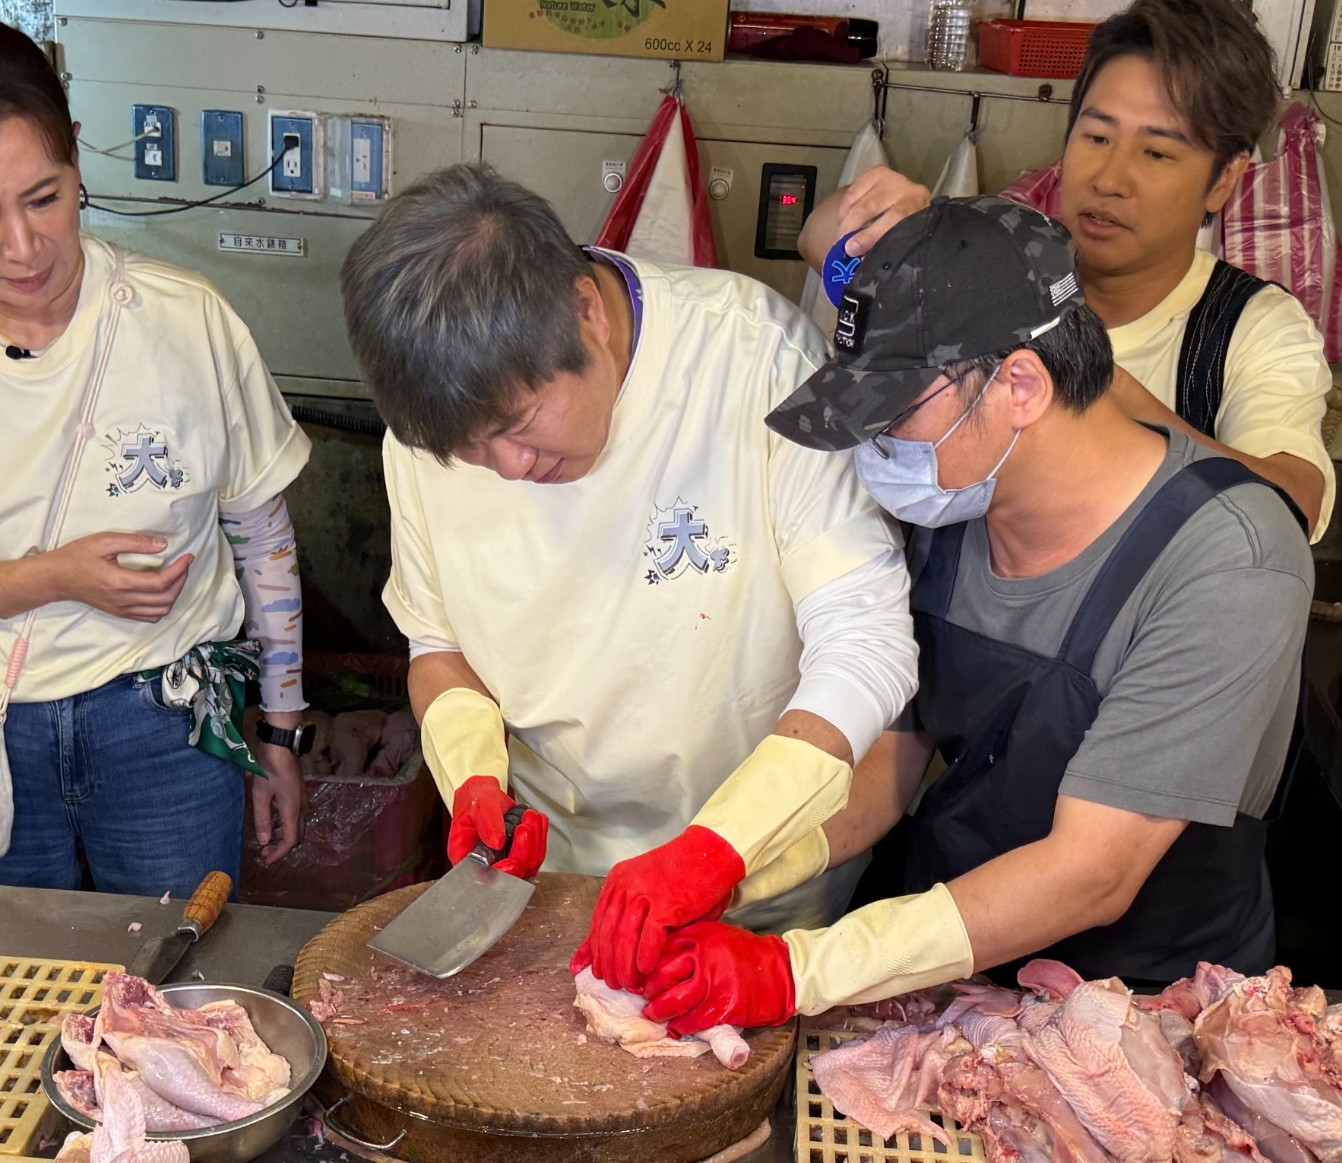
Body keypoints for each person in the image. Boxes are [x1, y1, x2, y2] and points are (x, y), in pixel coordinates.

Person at [638, 196, 1311, 1037]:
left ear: (1020, 384)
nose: (872, 454)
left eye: (891, 420)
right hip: (953, 977)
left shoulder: (1229, 561)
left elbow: (1091, 872)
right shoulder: (956, 509)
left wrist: (799, 968)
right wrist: (746, 866)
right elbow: (896, 754)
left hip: (1147, 1014)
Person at [339, 163, 918, 991]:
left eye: (519, 424)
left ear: (585, 312)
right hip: (548, 891)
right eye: (471, 450)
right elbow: (439, 644)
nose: (506, 467)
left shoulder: (752, 357)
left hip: (764, 883)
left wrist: (718, 852)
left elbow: (868, 646)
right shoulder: (429, 425)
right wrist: (472, 775)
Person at [0, 0, 312, 895]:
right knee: (2, 1005)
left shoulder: (184, 321)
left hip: (166, 724)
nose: (23, 247)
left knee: (177, 992)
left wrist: (281, 731)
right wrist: (41, 581)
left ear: (78, 158)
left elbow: (264, 538)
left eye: (45, 197)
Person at [799, 0, 1334, 540]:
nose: (1108, 179)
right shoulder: (991, 262)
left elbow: (1291, 503)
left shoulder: (1252, 328)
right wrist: (897, 226)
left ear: (1224, 178)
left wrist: (1103, 391)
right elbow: (820, 238)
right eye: (1097, 136)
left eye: (1156, 152)